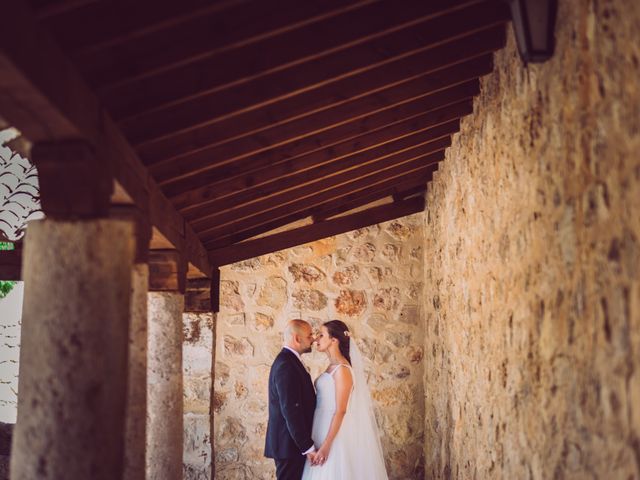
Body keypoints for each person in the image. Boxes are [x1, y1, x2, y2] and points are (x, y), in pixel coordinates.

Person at [302, 320, 388, 480]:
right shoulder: (332, 366)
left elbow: (341, 410)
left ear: (334, 340)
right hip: (320, 427)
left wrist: (327, 446)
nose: (316, 339)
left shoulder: (342, 370)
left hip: (334, 433)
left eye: (321, 335)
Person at [265, 319, 318, 480]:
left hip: (290, 444)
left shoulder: (289, 360)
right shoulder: (286, 364)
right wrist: (307, 447)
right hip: (289, 446)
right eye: (309, 336)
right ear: (297, 338)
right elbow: (291, 410)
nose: (313, 339)